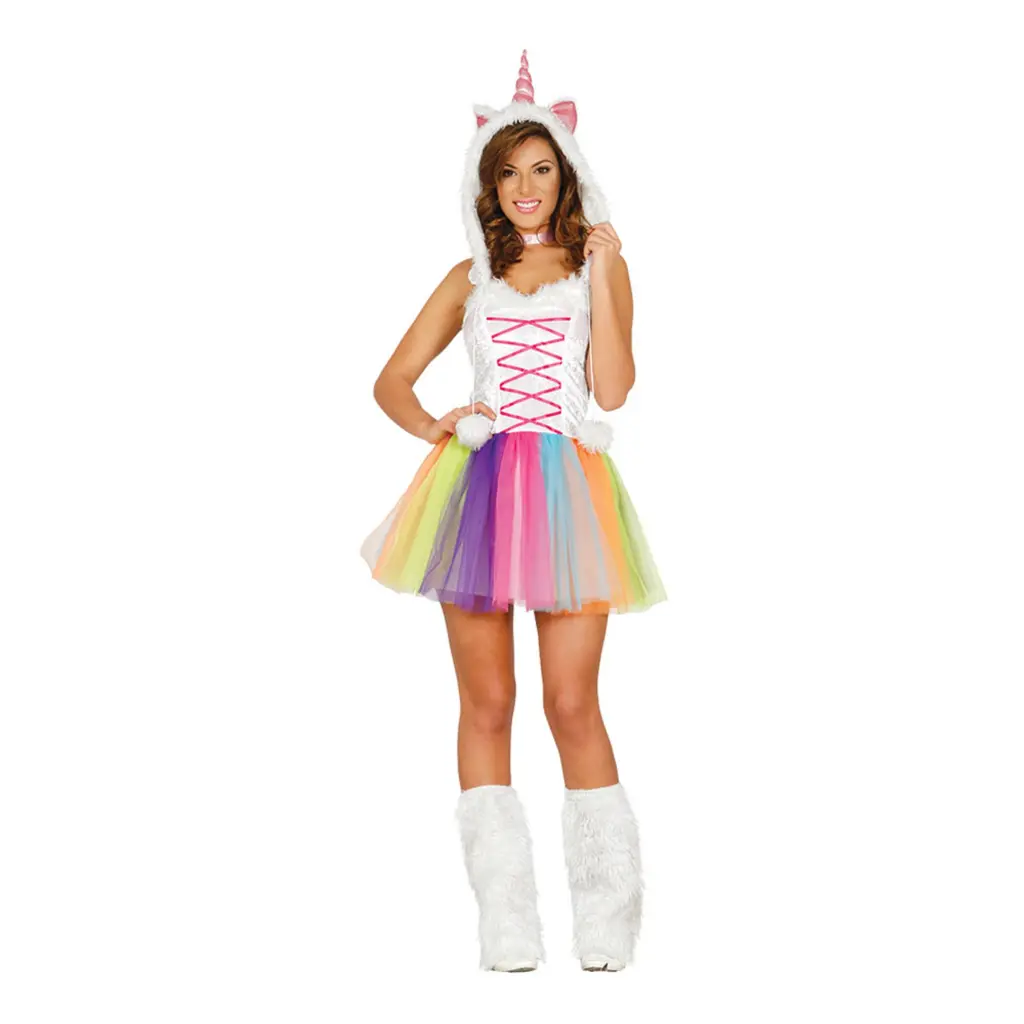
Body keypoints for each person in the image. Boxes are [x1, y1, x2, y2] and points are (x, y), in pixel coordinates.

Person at [360, 51, 667, 972]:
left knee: (572, 702)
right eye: (507, 172)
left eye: (541, 170)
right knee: (487, 701)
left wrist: (605, 273)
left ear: (567, 177)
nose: (526, 187)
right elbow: (391, 380)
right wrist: (438, 426)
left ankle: (608, 912)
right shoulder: (470, 276)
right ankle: (506, 921)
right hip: (479, 492)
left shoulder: (597, 266)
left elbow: (612, 389)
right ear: (487, 185)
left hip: (571, 491)